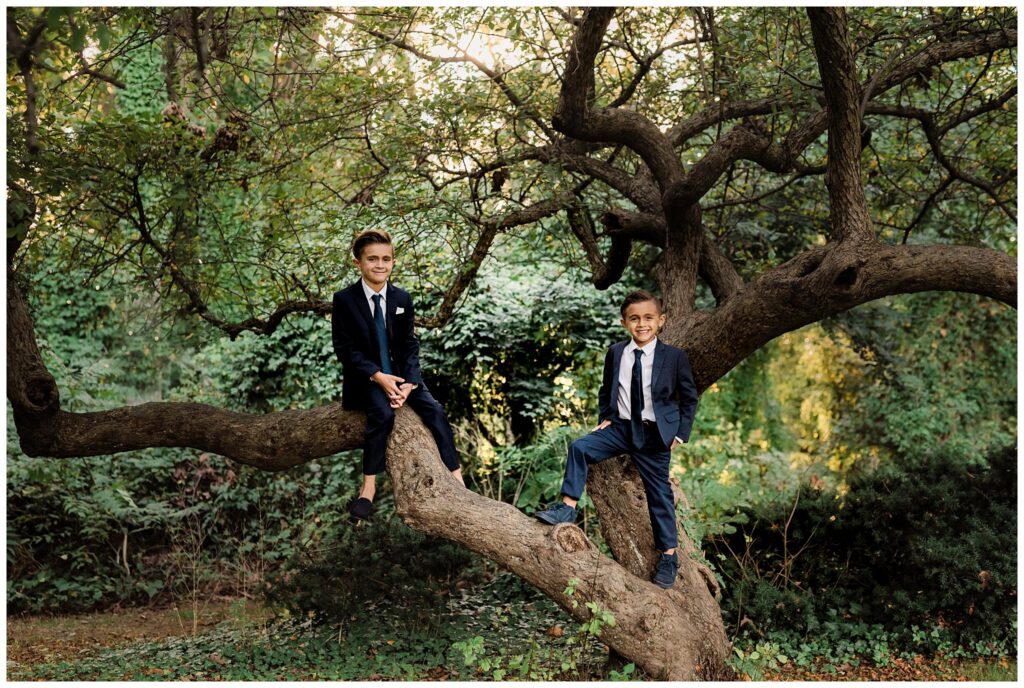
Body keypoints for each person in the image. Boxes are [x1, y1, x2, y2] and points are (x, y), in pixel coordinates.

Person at [534, 290, 698, 589]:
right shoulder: (616, 353)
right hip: (621, 428)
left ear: (660, 321)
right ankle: (568, 506)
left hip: (654, 434)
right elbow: (606, 387)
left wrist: (680, 434)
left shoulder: (674, 357)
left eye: (648, 318)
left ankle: (669, 556)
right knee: (580, 447)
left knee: (659, 494)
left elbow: (689, 398)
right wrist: (605, 416)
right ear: (625, 323)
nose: (642, 324)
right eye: (634, 319)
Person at [331, 229, 464, 524]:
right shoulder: (344, 299)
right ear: (358, 263)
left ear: (393, 261)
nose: (380, 265)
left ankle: (456, 475)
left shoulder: (401, 298)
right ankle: (368, 487)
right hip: (366, 377)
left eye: (386, 259)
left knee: (435, 410)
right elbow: (345, 348)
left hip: (402, 375)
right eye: (373, 259)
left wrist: (411, 383)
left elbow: (408, 344)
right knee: (382, 413)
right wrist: (378, 376)